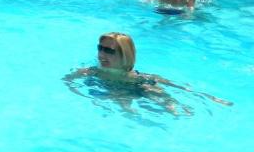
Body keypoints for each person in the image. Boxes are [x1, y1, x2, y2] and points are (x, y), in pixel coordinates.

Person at [63, 32, 231, 107]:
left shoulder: (140, 78)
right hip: (114, 90)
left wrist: (207, 96)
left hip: (134, 87)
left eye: (109, 50)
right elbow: (67, 81)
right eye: (100, 48)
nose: (101, 54)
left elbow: (181, 88)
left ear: (125, 55)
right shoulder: (90, 72)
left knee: (161, 96)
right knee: (126, 107)